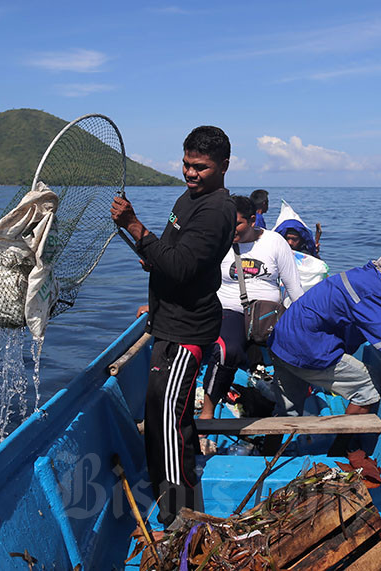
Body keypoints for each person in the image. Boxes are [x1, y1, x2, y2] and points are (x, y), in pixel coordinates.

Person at [111, 126, 237, 528]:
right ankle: (173, 505)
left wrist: (134, 225)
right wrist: (151, 253)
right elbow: (172, 252)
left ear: (223, 167)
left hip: (187, 331)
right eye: (185, 164)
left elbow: (181, 267)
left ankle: (181, 519)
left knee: (168, 421)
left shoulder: (217, 209)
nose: (190, 173)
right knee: (165, 415)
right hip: (167, 323)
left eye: (200, 167)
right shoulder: (188, 198)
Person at [267, 247, 381, 420]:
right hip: (304, 349)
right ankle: (343, 446)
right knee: (367, 386)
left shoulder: (361, 275)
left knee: (288, 411)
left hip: (279, 342)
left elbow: (378, 320)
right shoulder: (373, 291)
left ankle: (273, 445)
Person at [200, 196, 304, 424]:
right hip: (230, 309)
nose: (230, 228)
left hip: (268, 315)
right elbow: (195, 280)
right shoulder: (218, 242)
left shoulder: (275, 242)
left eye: (236, 223)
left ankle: (290, 410)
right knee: (228, 351)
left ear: (252, 220)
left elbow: (294, 289)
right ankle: (207, 410)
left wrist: (309, 324)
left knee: (297, 350)